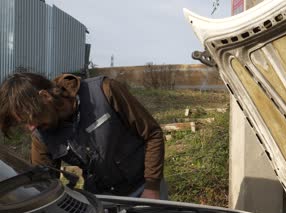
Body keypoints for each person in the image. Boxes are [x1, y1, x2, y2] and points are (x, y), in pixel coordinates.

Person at [0, 73, 167, 199]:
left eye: (32, 118)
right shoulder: (41, 134)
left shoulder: (105, 91)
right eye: (23, 123)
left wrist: (152, 187)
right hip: (100, 199)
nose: (31, 127)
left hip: (144, 188)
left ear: (45, 96)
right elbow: (44, 183)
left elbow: (152, 135)